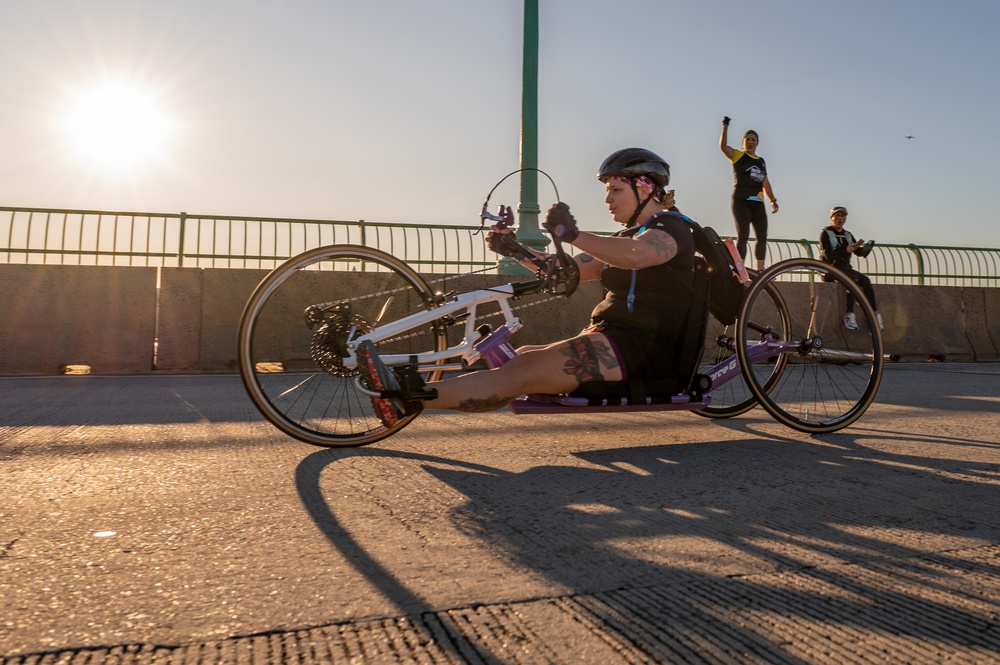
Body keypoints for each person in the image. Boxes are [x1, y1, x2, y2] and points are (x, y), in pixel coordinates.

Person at [356, 147, 705, 427]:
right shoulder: (624, 237)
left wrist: (574, 235)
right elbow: (568, 271)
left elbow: (637, 255)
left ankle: (405, 395)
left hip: (642, 349)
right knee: (521, 359)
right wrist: (514, 248)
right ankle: (411, 398)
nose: (608, 199)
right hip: (612, 337)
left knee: (522, 371)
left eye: (615, 190)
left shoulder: (671, 229)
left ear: (644, 188)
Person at [719, 117, 778, 271]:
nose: (750, 142)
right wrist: (725, 128)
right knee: (743, 235)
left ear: (757, 143)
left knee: (762, 236)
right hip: (741, 200)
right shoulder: (738, 155)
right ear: (743, 142)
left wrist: (773, 200)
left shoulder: (761, 161)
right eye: (747, 139)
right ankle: (740, 268)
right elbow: (723, 147)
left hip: (758, 203)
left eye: (753, 139)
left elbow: (765, 182)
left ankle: (760, 270)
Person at [819, 206, 883, 331]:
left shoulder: (847, 234)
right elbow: (828, 255)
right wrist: (845, 251)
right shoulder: (826, 233)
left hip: (845, 267)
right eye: (837, 216)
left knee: (865, 280)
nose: (840, 219)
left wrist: (866, 249)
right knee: (852, 280)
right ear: (831, 218)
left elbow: (858, 252)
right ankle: (849, 314)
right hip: (830, 268)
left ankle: (873, 313)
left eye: (842, 216)